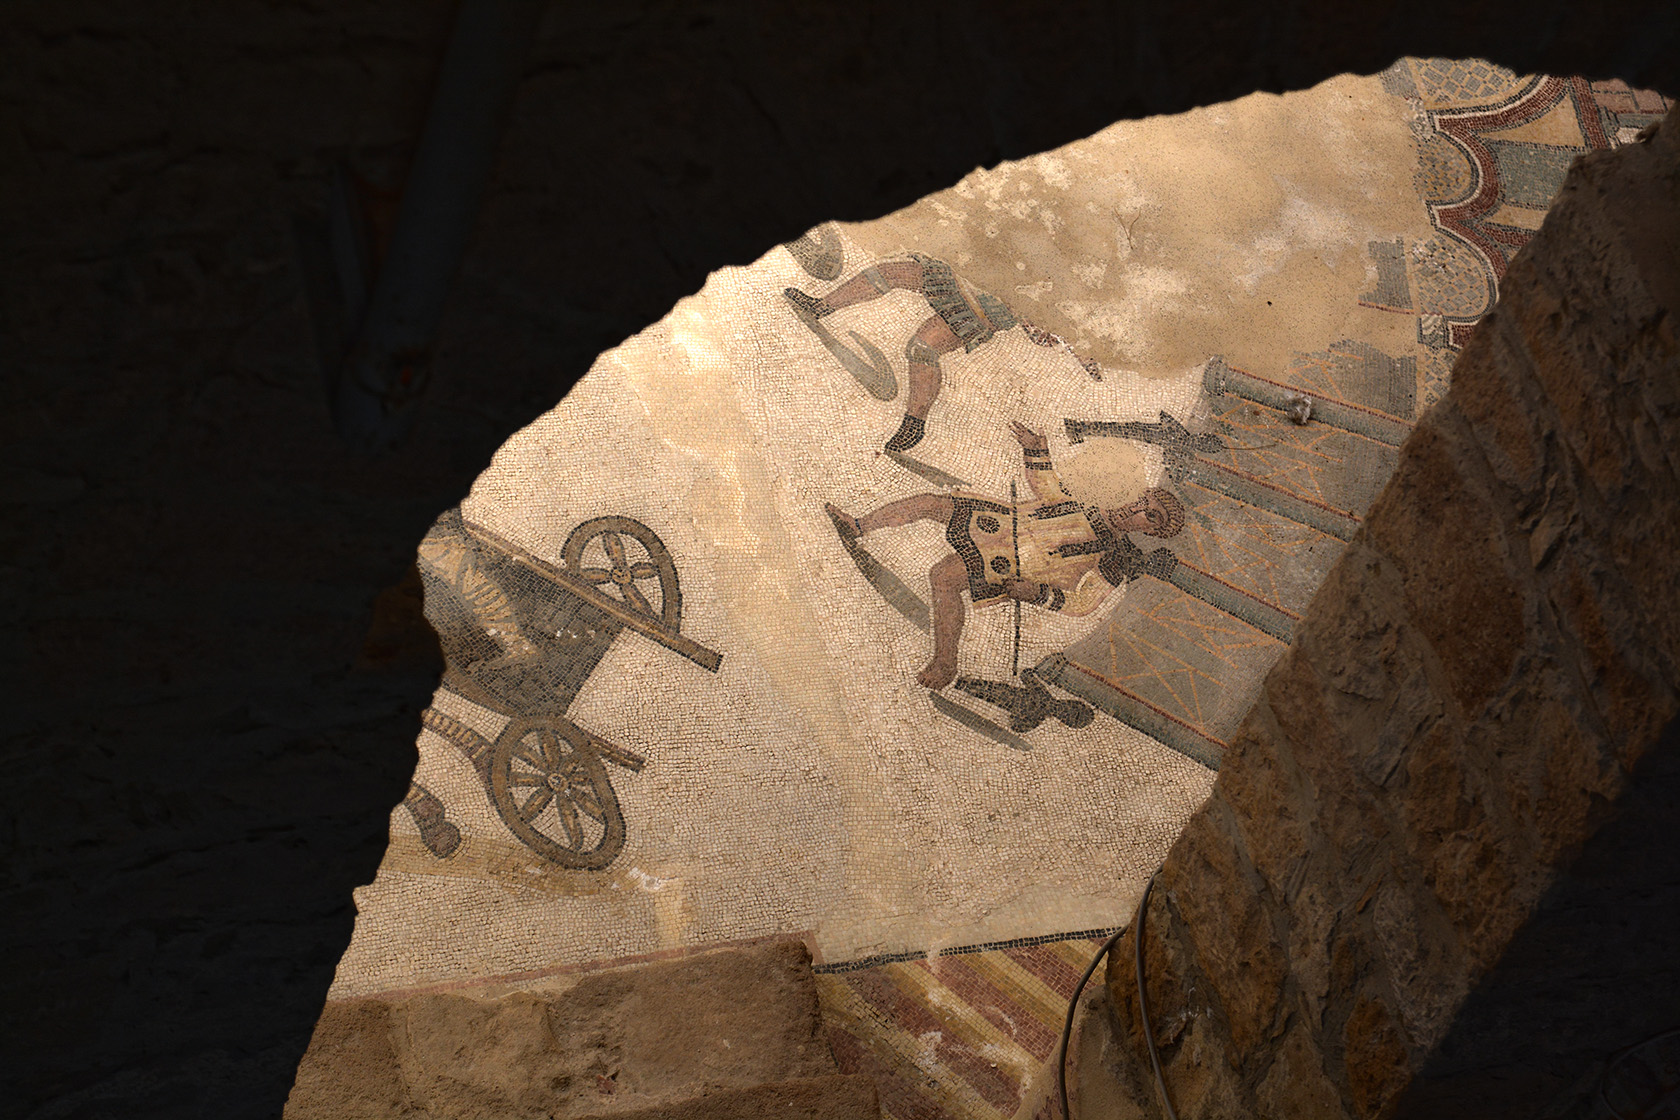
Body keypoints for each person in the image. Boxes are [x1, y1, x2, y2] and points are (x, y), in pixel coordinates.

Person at [826, 422, 1185, 689]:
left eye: (1149, 516)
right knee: (932, 503)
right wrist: (1036, 451)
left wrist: (1037, 593)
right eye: (1144, 501)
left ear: (1151, 531)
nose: (1138, 509)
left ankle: (945, 663)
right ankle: (858, 526)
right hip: (1000, 522)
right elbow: (1048, 488)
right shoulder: (1092, 501)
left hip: (1009, 563)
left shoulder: (1114, 558)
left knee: (943, 577)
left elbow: (1084, 602)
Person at [785, 254, 1100, 452]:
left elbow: (1049, 330)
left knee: (921, 347)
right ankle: (821, 306)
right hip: (963, 275)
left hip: (983, 309)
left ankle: (914, 422)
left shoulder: (1066, 283)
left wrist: (1075, 349)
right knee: (894, 272)